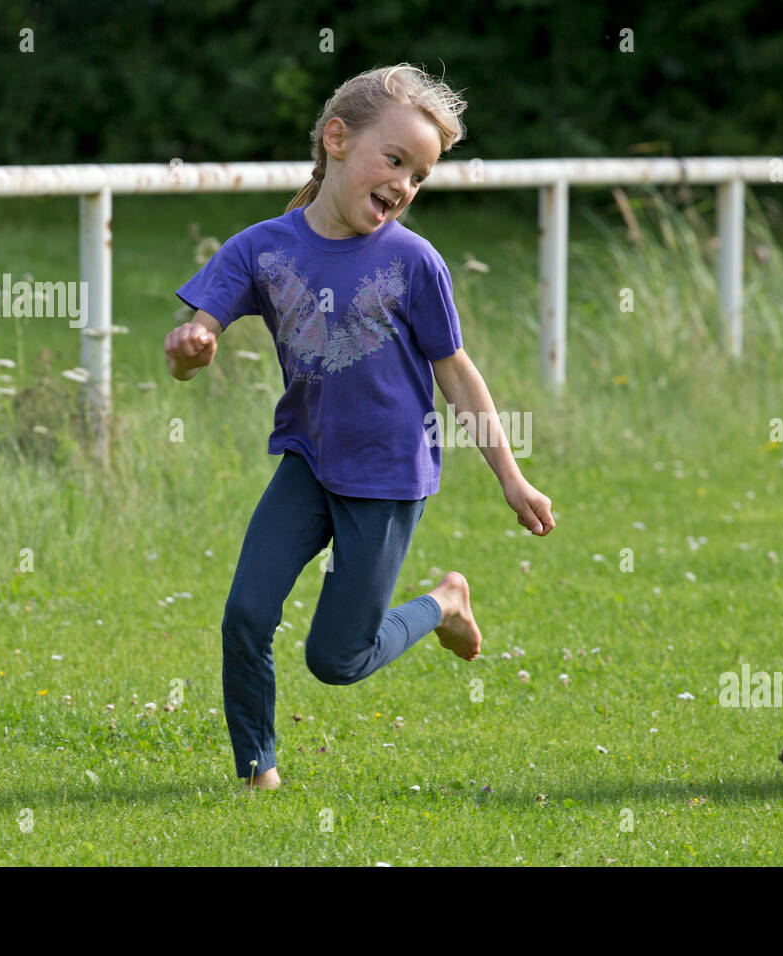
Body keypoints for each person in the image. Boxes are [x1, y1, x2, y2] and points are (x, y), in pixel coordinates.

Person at [163, 64, 554, 791]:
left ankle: (444, 602)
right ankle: (257, 770)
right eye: (396, 161)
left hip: (388, 477)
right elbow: (193, 340)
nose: (405, 185)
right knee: (246, 613)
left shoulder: (414, 262)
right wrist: (191, 349)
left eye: (420, 175)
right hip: (307, 462)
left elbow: (458, 373)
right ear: (337, 139)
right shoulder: (262, 248)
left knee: (335, 661)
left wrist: (513, 476)